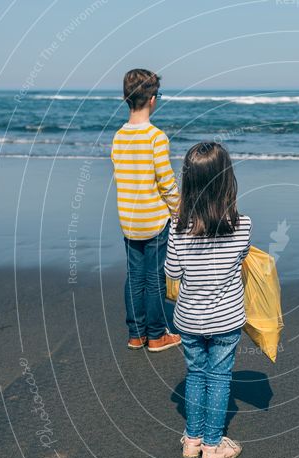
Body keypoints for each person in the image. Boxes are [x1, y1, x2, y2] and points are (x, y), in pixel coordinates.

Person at [165, 142, 252, 458]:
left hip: (188, 318)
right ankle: (213, 447)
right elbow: (240, 260)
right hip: (227, 318)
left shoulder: (177, 228)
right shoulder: (243, 225)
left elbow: (172, 272)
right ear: (227, 180)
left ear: (187, 182)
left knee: (196, 374)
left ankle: (192, 440)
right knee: (218, 379)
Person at [112, 68, 182, 352]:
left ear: (125, 98)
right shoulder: (156, 137)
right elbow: (165, 180)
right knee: (155, 279)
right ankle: (156, 335)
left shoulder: (118, 137)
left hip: (128, 220)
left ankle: (135, 333)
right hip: (154, 220)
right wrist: (178, 209)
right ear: (153, 99)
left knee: (134, 276)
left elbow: (123, 177)